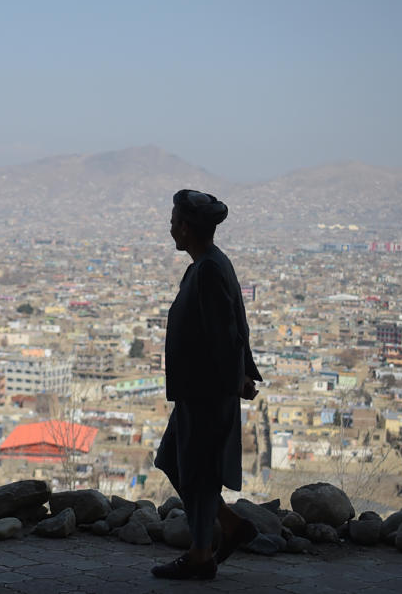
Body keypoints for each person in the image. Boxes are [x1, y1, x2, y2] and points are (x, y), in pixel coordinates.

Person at [151, 189, 263, 580]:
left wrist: (237, 381)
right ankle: (229, 524)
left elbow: (226, 333)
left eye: (173, 222)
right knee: (175, 461)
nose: (169, 229)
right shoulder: (207, 264)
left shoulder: (210, 269)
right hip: (197, 392)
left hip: (207, 394)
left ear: (186, 227)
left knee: (196, 471)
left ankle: (200, 555)